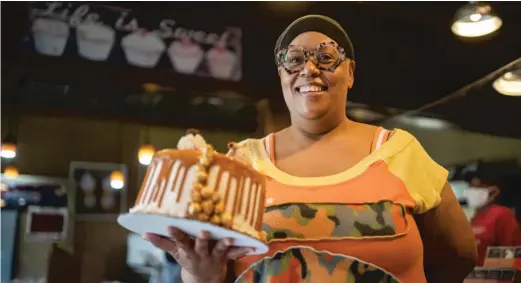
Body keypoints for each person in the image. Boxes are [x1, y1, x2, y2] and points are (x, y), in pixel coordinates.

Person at [145, 15, 477, 283]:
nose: (309, 68)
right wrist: (200, 274)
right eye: (294, 59)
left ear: (350, 73)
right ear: (281, 75)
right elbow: (213, 270)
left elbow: (459, 256)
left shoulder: (400, 152)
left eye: (326, 57)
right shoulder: (242, 163)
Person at [464, 170, 521, 266]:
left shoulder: (502, 215)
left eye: (477, 187)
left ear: (493, 191)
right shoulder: (475, 217)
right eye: (471, 186)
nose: (472, 190)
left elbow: (512, 254)